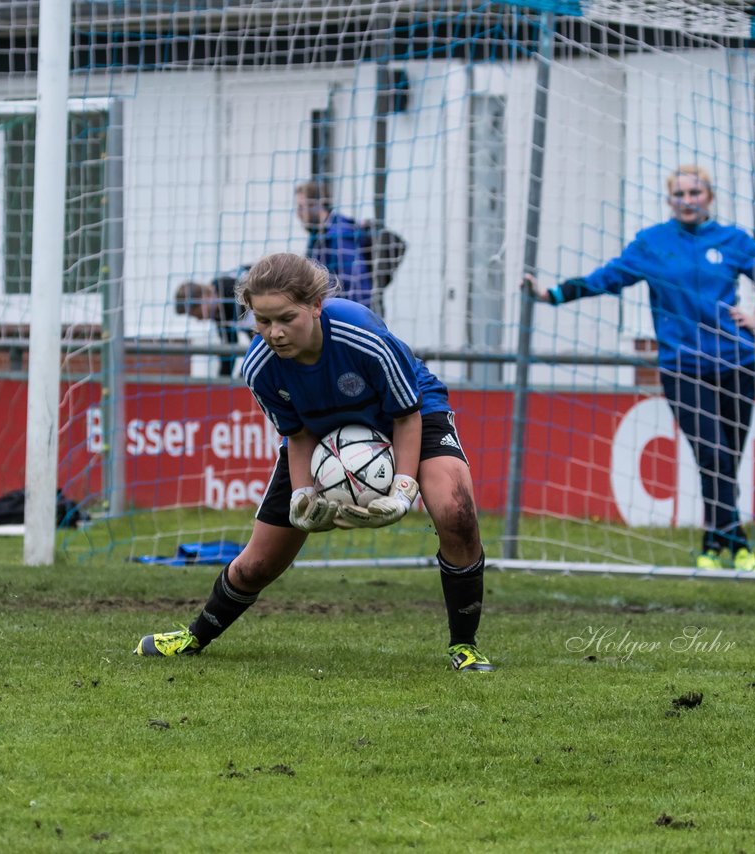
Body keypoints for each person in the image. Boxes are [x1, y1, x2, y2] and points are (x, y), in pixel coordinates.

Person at [137, 252, 493, 672]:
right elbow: (298, 434)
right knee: (257, 563)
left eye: (287, 318)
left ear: (315, 305)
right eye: (263, 321)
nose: (275, 333)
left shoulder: (362, 335)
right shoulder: (259, 367)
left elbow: (406, 415)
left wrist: (402, 490)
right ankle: (195, 635)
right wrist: (304, 493)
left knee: (456, 514)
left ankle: (464, 646)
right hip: (322, 432)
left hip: (412, 412)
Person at [527, 165, 755, 572]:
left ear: (709, 198)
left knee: (727, 459)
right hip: (683, 367)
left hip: (737, 363)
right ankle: (738, 545)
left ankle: (712, 546)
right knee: (713, 452)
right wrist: (551, 295)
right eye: (679, 194)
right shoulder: (652, 244)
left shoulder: (732, 240)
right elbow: (606, 279)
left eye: (695, 192)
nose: (688, 200)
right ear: (670, 201)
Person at [295, 180, 374, 308]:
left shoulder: (341, 236)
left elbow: (356, 289)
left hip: (350, 317)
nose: (298, 214)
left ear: (317, 205)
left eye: (301, 207)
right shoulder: (318, 234)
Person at [173, 266, 252, 377]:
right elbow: (229, 349)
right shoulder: (220, 312)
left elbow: (256, 340)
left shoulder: (233, 292)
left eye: (198, 314)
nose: (199, 319)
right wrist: (222, 383)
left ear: (205, 297)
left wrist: (244, 374)